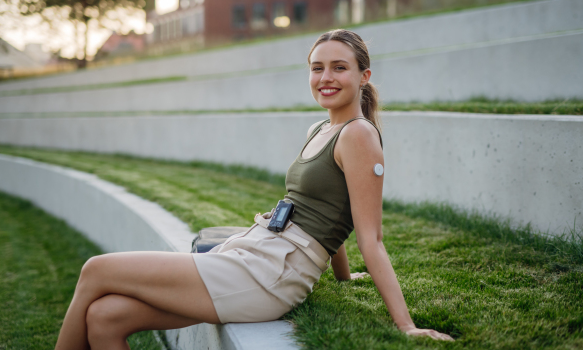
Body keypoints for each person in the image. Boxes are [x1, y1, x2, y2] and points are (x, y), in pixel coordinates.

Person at [54, 29, 453, 349]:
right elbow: (331, 209)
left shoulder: (360, 136)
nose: (326, 78)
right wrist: (344, 278)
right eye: (317, 68)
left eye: (339, 68)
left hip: (270, 274)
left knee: (97, 269)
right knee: (105, 318)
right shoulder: (320, 128)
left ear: (363, 77)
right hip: (258, 248)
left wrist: (406, 325)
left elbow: (372, 238)